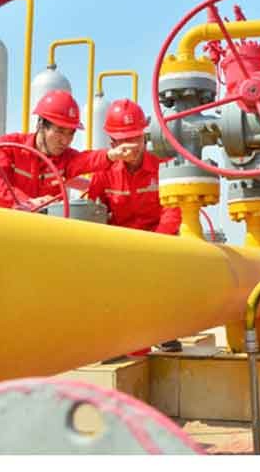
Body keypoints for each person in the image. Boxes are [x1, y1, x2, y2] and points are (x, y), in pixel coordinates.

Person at [86, 98, 183, 354]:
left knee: (168, 268)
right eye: (125, 140)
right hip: (119, 248)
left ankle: (165, 328)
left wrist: (154, 244)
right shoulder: (103, 173)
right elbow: (93, 211)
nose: (133, 146)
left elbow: (172, 210)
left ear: (145, 136)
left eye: (137, 138)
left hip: (157, 244)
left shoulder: (162, 168)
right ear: (113, 143)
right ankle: (118, 335)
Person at [0, 90, 137, 211]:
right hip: (8, 227)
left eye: (71, 133)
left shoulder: (66, 158)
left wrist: (111, 155)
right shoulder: (9, 146)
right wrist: (26, 202)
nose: (65, 140)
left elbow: (87, 160)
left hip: (45, 232)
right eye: (60, 131)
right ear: (41, 125)